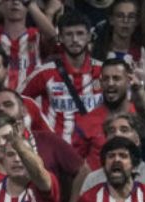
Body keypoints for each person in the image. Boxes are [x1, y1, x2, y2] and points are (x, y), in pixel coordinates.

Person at [21, 10, 104, 143]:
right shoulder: (44, 73)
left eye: (80, 33)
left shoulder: (104, 71)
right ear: (60, 38)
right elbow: (17, 101)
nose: (75, 39)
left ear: (89, 36)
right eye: (69, 34)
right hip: (56, 152)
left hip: (94, 152)